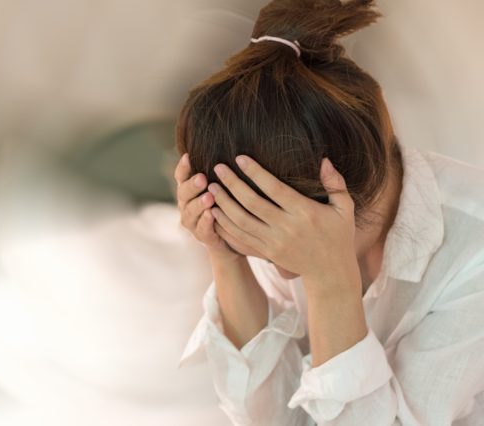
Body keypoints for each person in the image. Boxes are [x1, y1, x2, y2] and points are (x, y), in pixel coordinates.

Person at [173, 0, 484, 425]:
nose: (282, 275)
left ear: (347, 197)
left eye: (273, 255)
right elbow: (270, 418)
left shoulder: (474, 250)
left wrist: (331, 282)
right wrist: (227, 256)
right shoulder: (280, 207)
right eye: (261, 254)